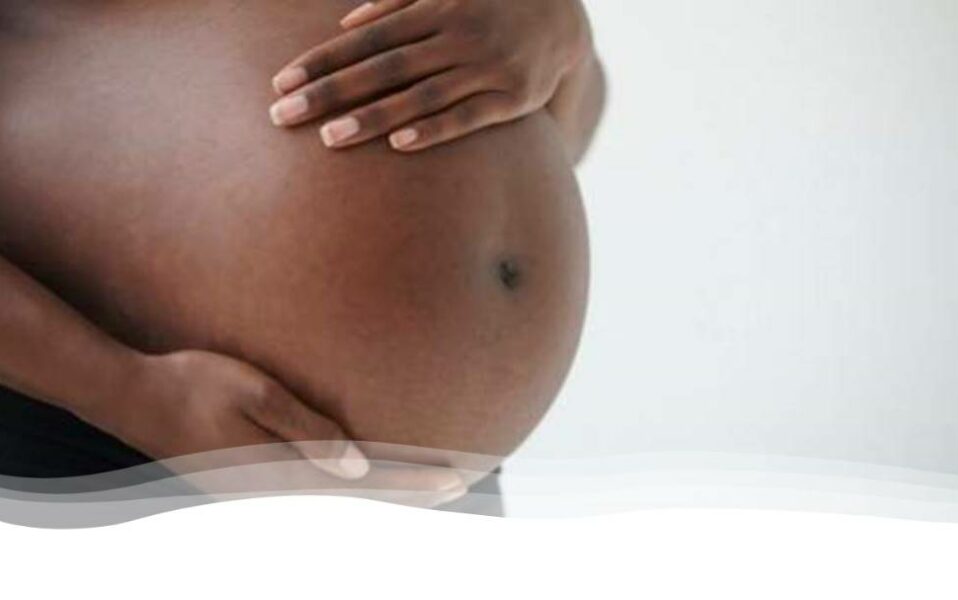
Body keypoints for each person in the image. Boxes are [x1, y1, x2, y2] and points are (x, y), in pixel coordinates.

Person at [0, 0, 605, 513]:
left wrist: (562, 35)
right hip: (138, 428)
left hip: (435, 486)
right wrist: (131, 394)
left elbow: (563, 133)